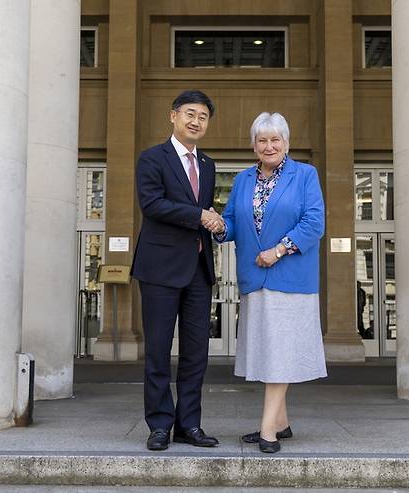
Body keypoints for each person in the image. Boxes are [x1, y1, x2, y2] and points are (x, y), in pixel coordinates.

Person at [215, 112, 326, 453]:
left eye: (275, 139)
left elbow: (314, 222)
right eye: (262, 140)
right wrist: (217, 226)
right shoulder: (243, 180)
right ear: (253, 145)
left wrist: (278, 250)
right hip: (255, 279)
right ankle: (282, 421)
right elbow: (233, 222)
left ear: (287, 143)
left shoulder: (305, 175)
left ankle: (268, 430)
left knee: (279, 355)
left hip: (290, 279)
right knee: (268, 352)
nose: (269, 146)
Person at [130, 90, 225, 451]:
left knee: (196, 354)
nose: (196, 121)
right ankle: (158, 424)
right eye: (190, 113)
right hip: (159, 269)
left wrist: (214, 221)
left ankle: (189, 424)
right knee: (157, 351)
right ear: (173, 116)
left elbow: (203, 208)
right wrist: (200, 215)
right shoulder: (152, 158)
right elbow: (153, 204)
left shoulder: (209, 164)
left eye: (202, 116)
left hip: (199, 271)